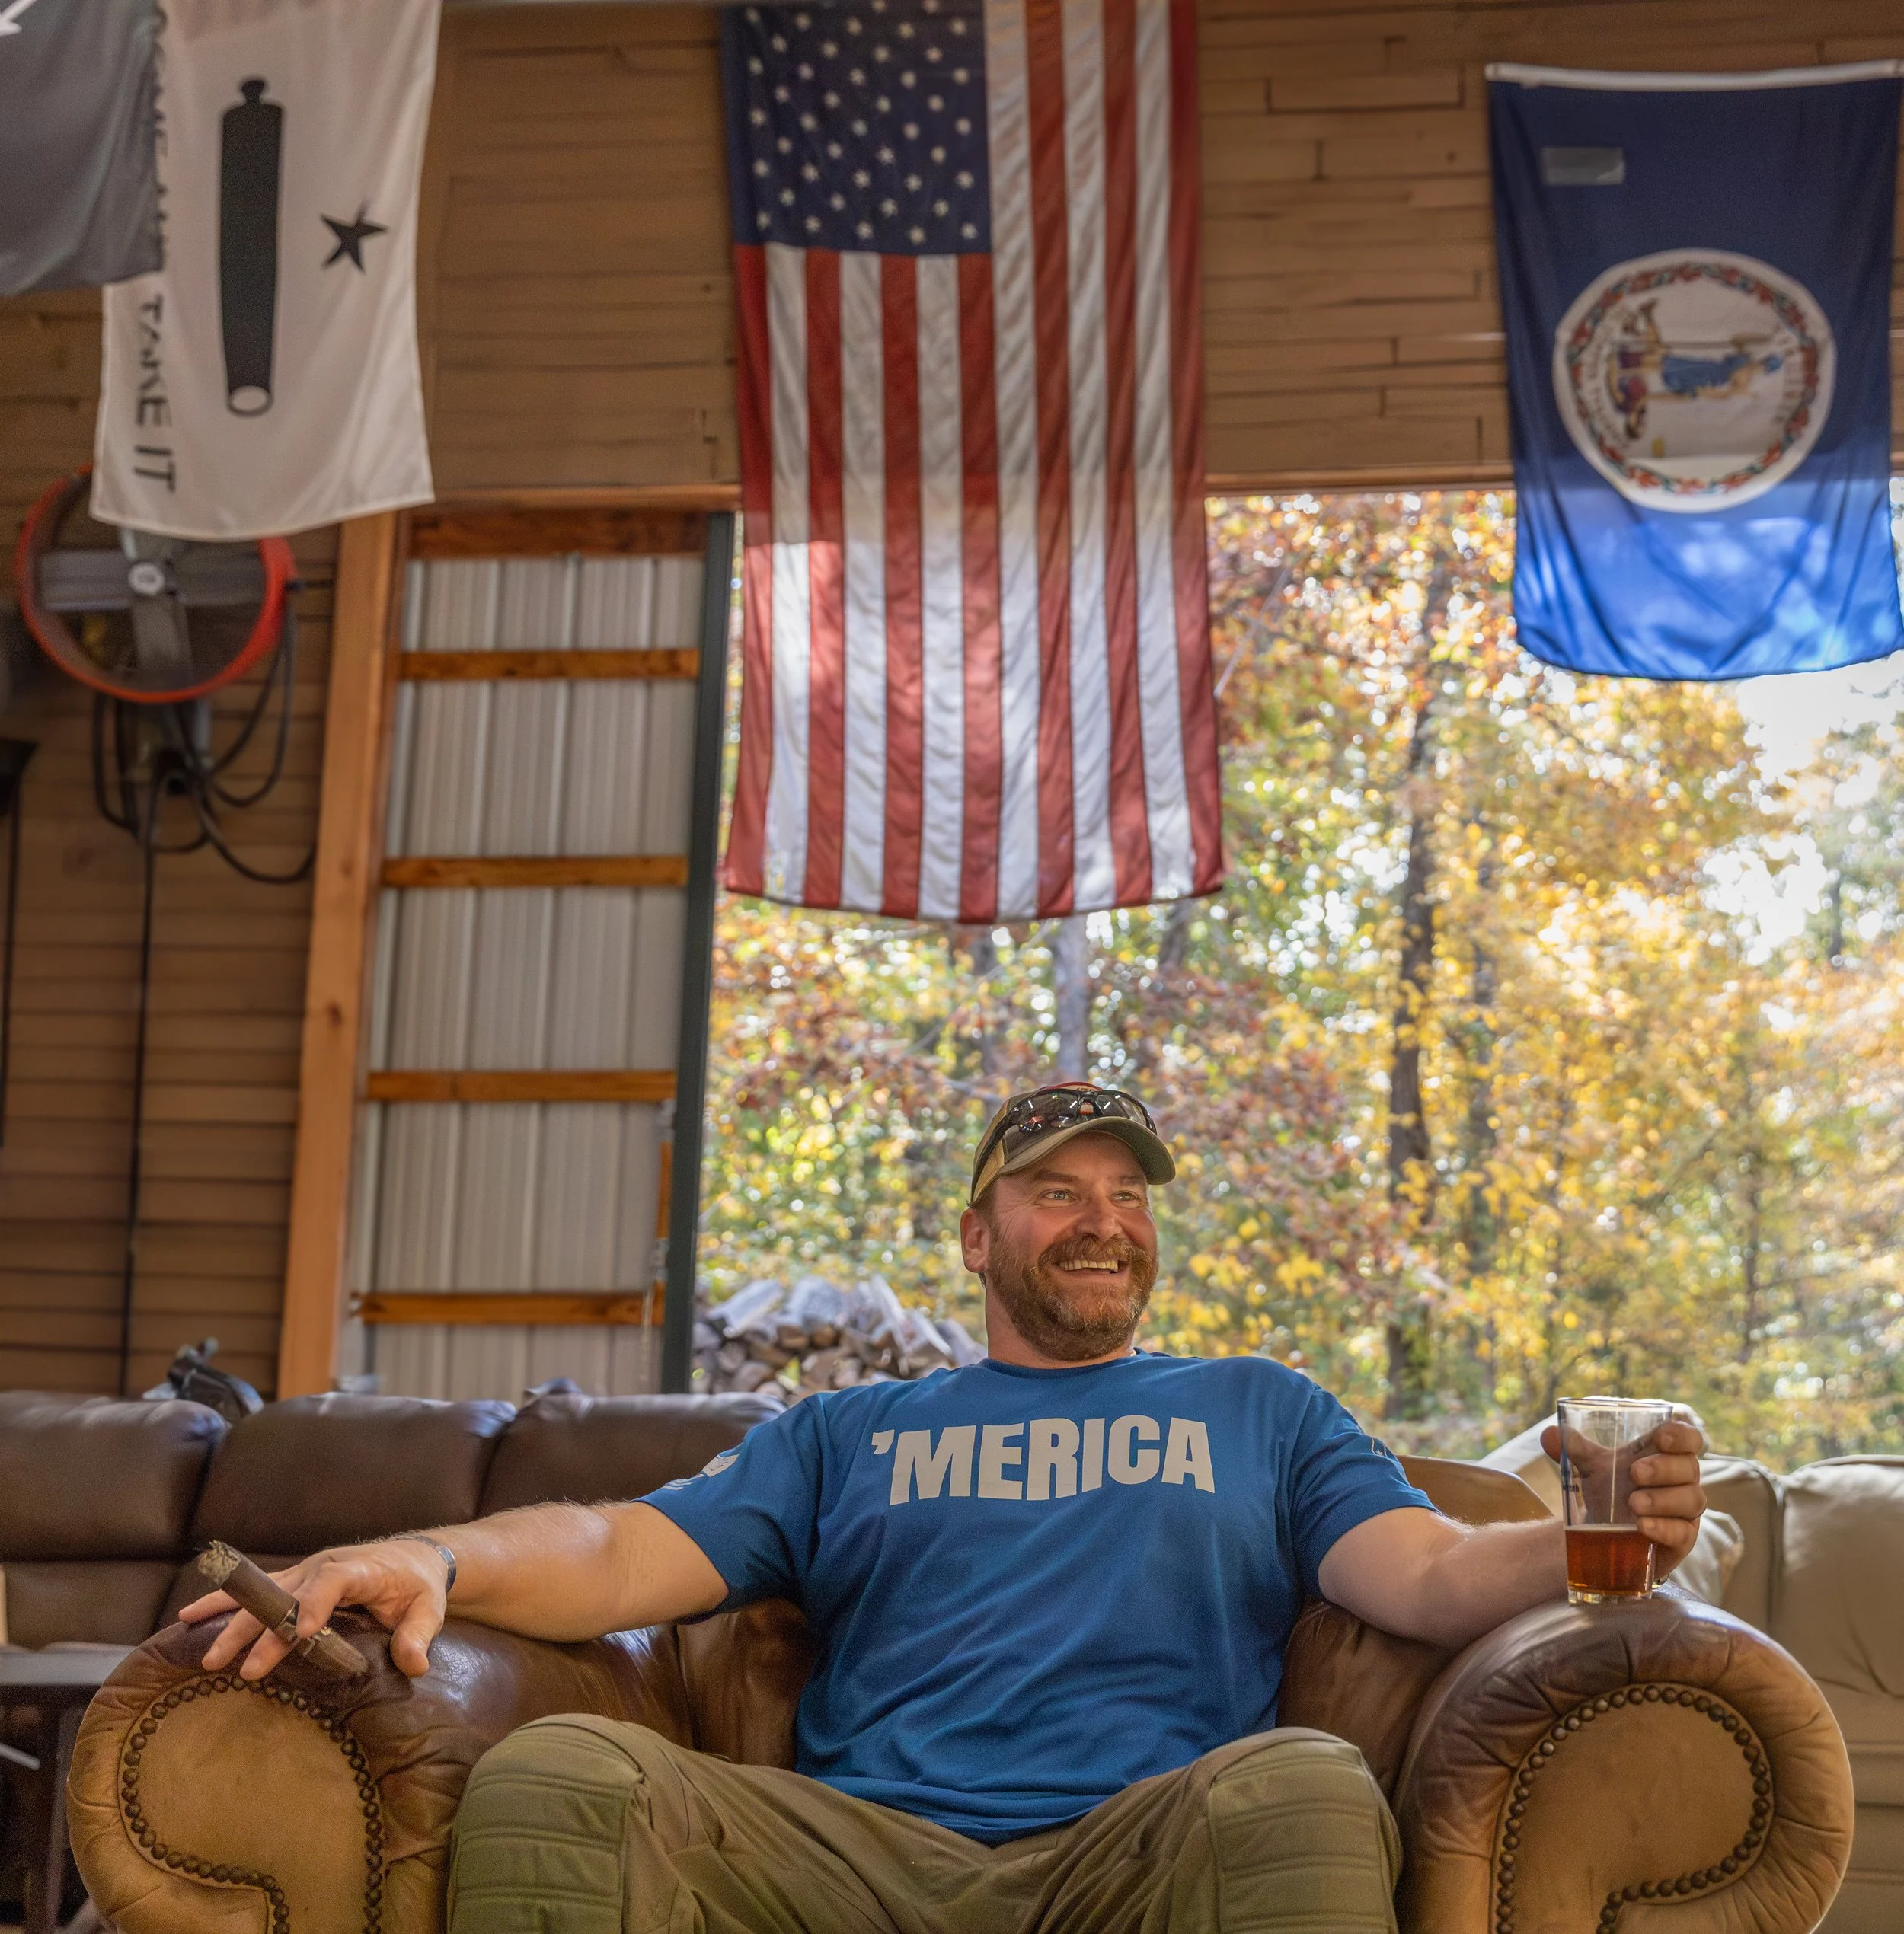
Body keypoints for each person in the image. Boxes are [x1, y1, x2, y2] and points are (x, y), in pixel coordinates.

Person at [187, 1081, 1710, 1934]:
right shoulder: (848, 1430)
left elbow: (1433, 1575)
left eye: (1126, 1193)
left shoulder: (1260, 1406)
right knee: (565, 1771)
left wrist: (1601, 1550)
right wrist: (428, 1551)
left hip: (1138, 1846)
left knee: (1303, 1780)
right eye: (1057, 1189)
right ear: (979, 1234)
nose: (1102, 1216)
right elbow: (609, 1544)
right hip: (850, 1849)